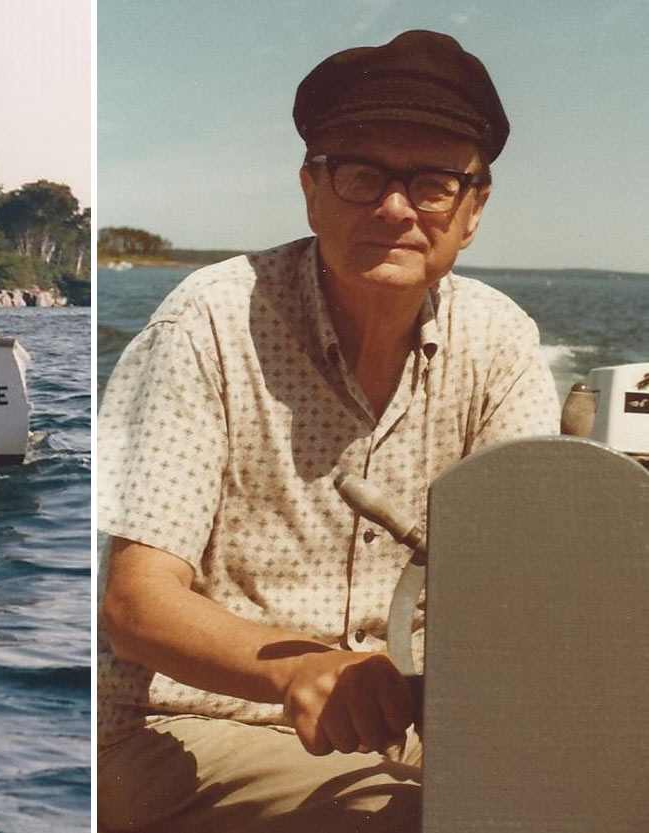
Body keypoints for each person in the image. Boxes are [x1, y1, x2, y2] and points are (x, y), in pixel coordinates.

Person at [97, 30, 560, 832]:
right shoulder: (209, 321)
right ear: (312, 190)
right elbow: (137, 605)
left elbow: (522, 599)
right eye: (361, 174)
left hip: (416, 734)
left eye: (433, 183)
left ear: (474, 208)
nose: (394, 206)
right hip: (190, 723)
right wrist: (301, 671)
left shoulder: (504, 346)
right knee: (407, 821)